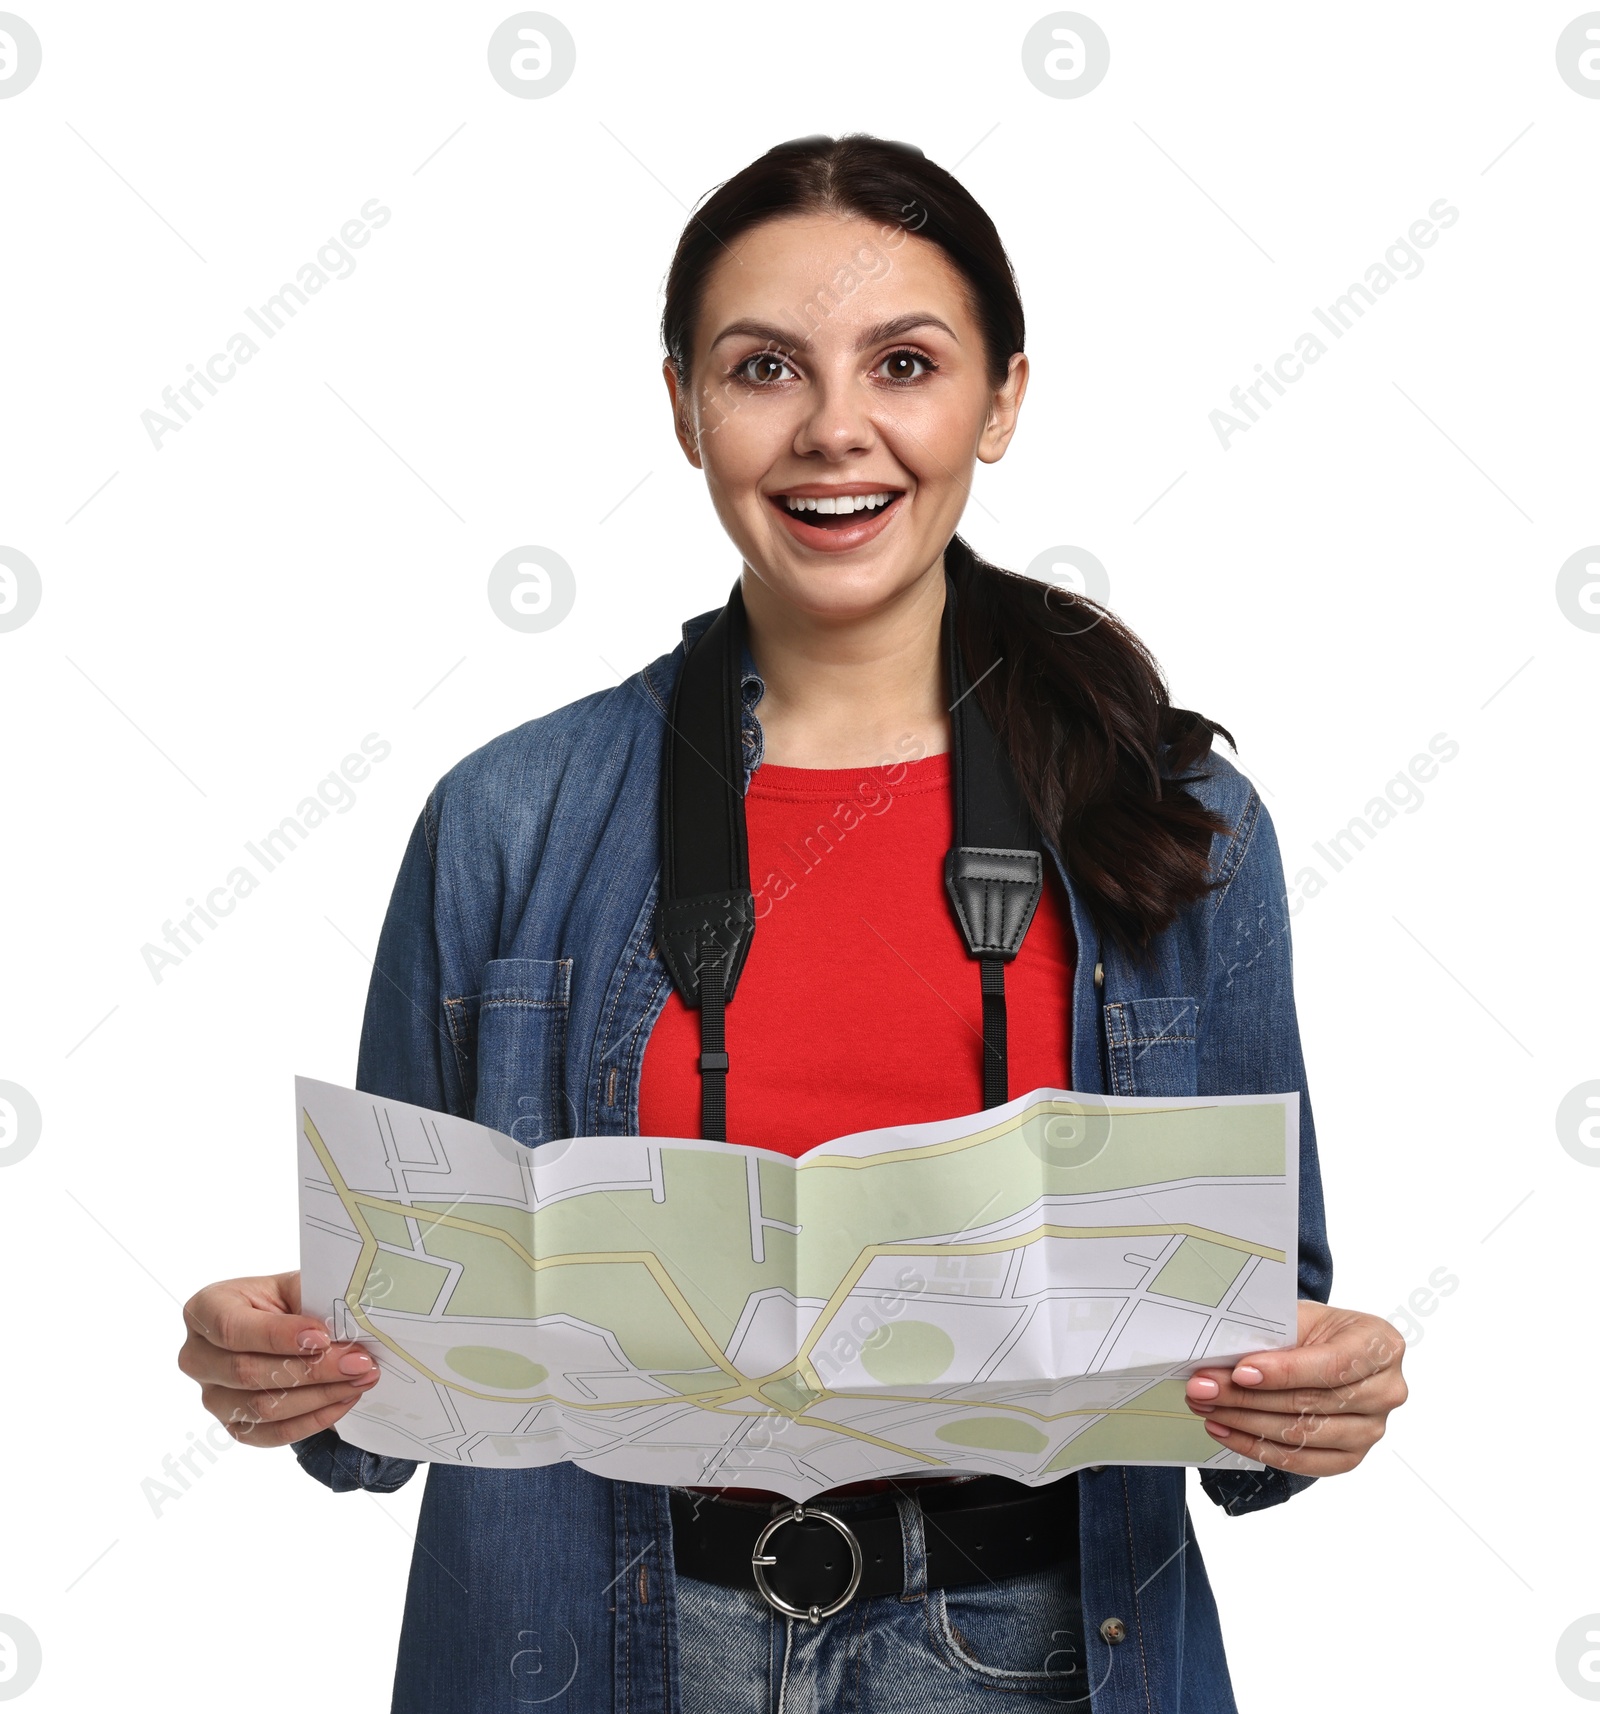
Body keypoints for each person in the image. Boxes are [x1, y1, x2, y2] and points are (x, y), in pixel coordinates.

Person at [176, 134, 1408, 1712]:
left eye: (905, 362)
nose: (838, 429)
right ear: (684, 404)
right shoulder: (503, 816)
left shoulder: (1183, 826)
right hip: (601, 1643)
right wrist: (279, 1364)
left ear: (1003, 399)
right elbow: (379, 1384)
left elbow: (1263, 1341)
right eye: (765, 367)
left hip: (1032, 1647)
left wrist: (1321, 1392)